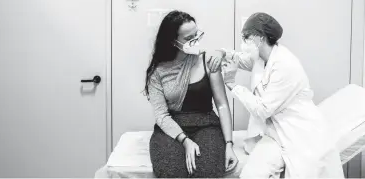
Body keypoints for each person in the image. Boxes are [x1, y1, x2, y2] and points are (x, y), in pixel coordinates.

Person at [208, 12, 344, 178]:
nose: (243, 42)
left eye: (246, 37)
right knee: (251, 175)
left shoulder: (285, 64)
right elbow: (239, 58)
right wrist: (221, 52)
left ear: (260, 38)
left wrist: (232, 84)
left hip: (300, 133)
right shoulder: (260, 57)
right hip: (275, 133)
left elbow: (263, 109)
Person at [144, 10, 238, 178]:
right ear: (172, 41)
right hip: (171, 129)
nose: (195, 41)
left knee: (207, 171)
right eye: (188, 39)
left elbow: (222, 104)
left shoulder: (208, 61)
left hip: (207, 125)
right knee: (171, 172)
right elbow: (161, 115)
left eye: (196, 35)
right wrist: (185, 141)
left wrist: (229, 144)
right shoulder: (157, 71)